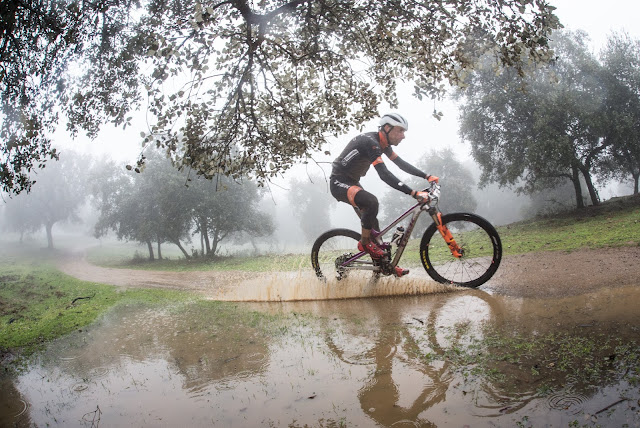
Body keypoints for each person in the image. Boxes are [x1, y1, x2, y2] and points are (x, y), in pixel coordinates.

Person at [329, 113, 439, 277]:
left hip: (352, 182)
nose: (403, 136)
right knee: (371, 202)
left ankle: (387, 266)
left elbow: (401, 164)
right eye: (400, 131)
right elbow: (384, 174)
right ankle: (365, 243)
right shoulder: (370, 143)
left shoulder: (383, 144)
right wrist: (413, 192)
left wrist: (426, 176)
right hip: (339, 182)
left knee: (375, 228)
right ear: (386, 128)